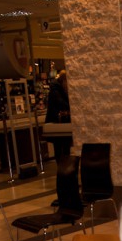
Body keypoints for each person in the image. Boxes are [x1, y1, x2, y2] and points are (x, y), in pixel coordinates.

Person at [44, 70, 77, 208]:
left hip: (61, 131)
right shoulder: (55, 91)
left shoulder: (58, 90)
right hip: (58, 131)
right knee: (62, 160)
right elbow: (62, 104)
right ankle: (64, 194)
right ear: (64, 81)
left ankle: (66, 193)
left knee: (64, 160)